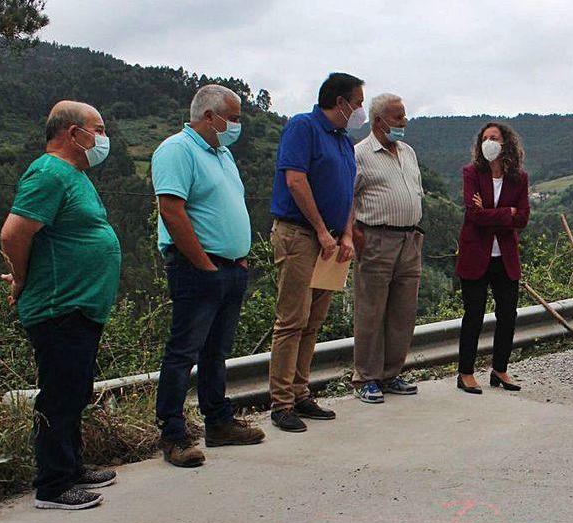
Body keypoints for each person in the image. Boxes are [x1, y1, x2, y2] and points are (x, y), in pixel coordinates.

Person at [0, 101, 121, 510]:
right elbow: (13, 234)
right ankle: (52, 485)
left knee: (75, 389)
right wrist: (21, 278)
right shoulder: (49, 172)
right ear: (73, 134)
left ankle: (71, 466)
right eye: (98, 130)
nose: (103, 139)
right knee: (60, 393)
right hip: (58, 305)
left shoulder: (74, 175)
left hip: (79, 305)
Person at [152, 84, 265, 467]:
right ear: (208, 116)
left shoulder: (223, 154)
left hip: (230, 268)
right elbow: (171, 209)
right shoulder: (176, 150)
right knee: (183, 352)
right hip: (197, 268)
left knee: (216, 351)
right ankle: (173, 435)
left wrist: (239, 258)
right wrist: (202, 262)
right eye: (232, 118)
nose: (236, 125)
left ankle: (218, 422)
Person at [267, 73, 363, 432]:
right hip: (301, 235)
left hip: (334, 241)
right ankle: (281, 403)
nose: (359, 110)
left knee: (313, 321)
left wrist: (347, 234)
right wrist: (322, 231)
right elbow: (295, 180)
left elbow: (348, 192)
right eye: (357, 102)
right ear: (340, 102)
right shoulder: (302, 127)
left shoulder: (344, 141)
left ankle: (300, 391)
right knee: (292, 319)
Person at [351, 93, 424, 404]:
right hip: (377, 239)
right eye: (398, 117)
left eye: (404, 116)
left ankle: (391, 374)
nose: (404, 122)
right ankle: (366, 377)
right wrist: (353, 234)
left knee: (402, 312)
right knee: (371, 311)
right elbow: (347, 198)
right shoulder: (360, 154)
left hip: (410, 240)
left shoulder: (407, 152)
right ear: (379, 121)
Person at [455, 122, 530, 394]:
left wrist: (493, 214)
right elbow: (473, 215)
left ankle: (500, 369)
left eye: (494, 138)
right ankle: (465, 373)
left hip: (505, 257)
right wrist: (505, 214)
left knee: (508, 314)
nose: (489, 142)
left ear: (506, 143)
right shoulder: (472, 173)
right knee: (473, 314)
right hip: (476, 254)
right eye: (485, 138)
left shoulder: (518, 178)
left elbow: (522, 218)